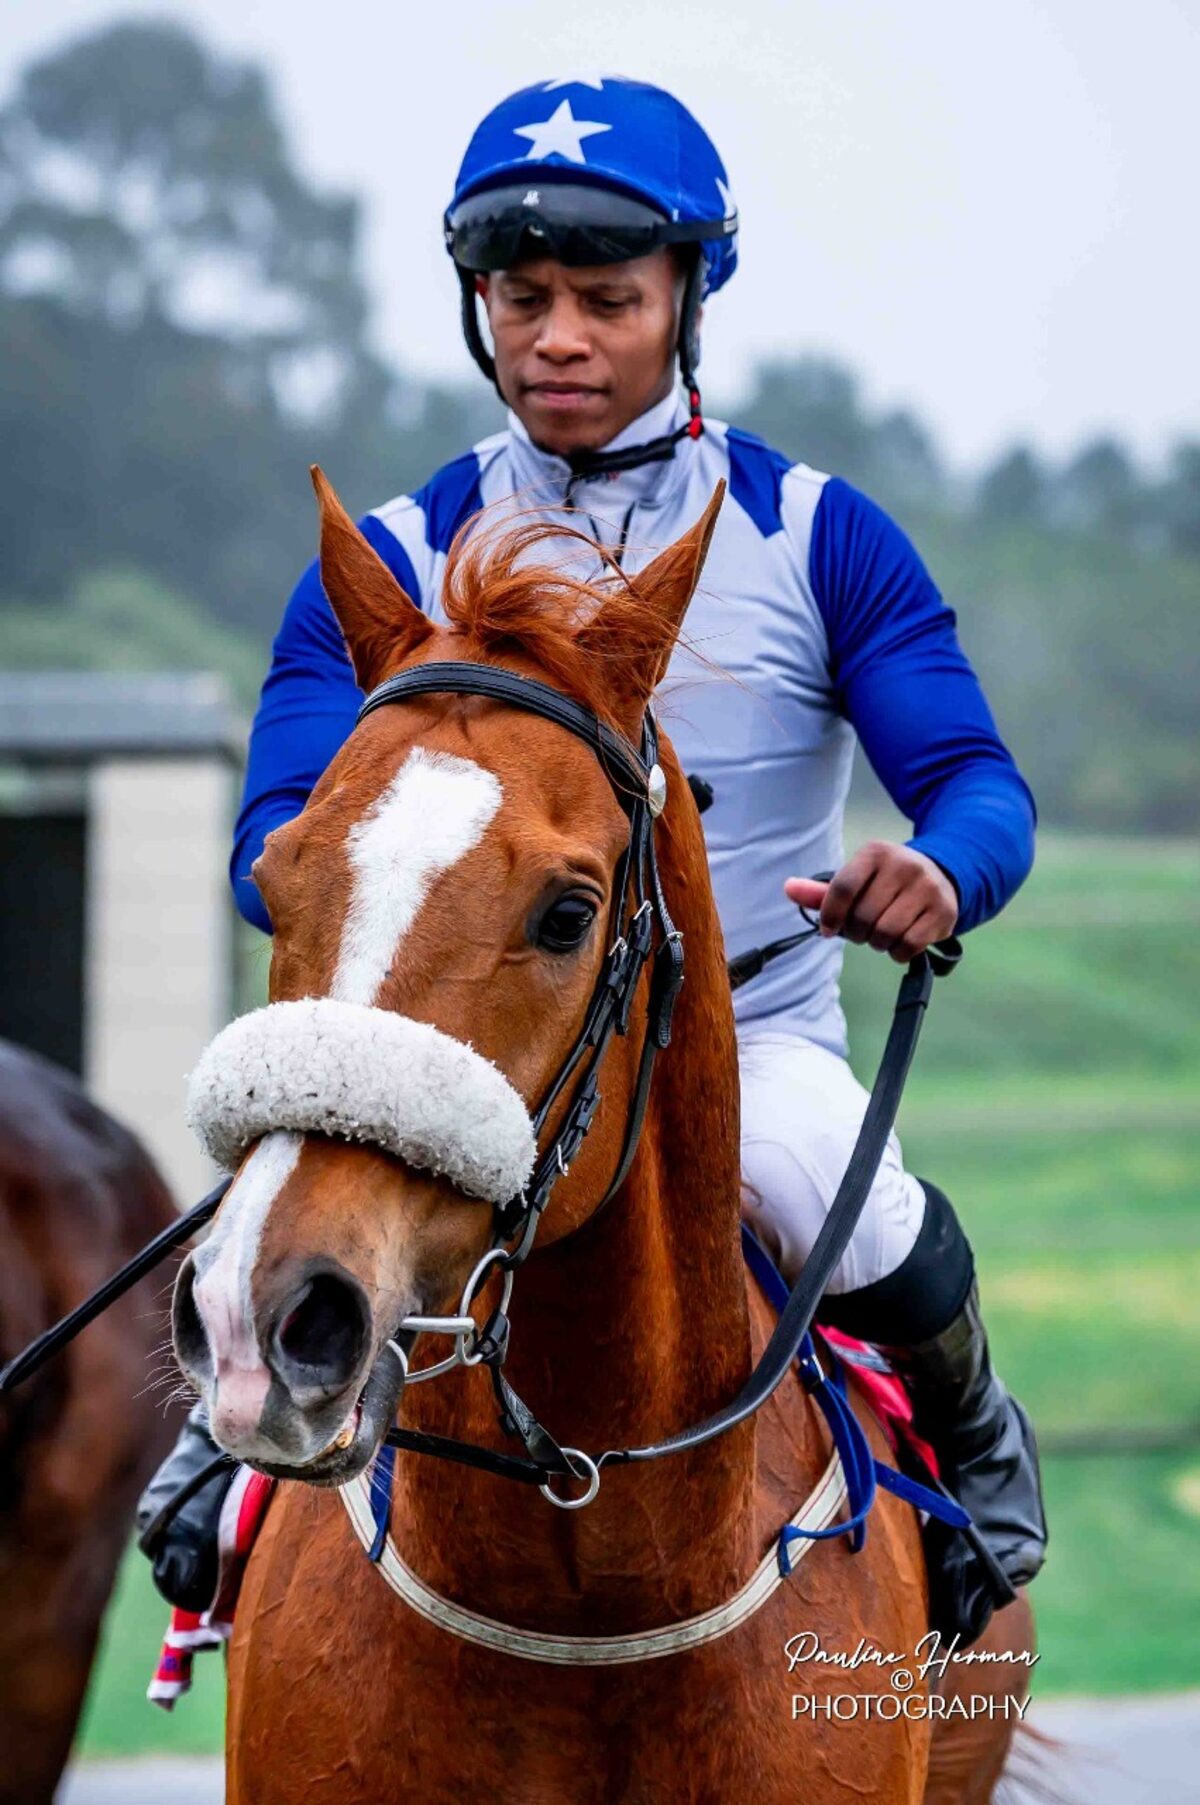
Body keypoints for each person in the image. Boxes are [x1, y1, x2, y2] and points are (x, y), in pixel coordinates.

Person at [139, 76, 1046, 1643]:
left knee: (827, 1176)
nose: (558, 336)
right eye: (522, 297)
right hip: (454, 1047)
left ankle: (978, 1456)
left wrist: (944, 870)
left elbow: (973, 780)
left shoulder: (821, 536)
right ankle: (220, 1455)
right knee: (289, 1221)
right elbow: (271, 830)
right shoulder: (395, 557)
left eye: (607, 300)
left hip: (740, 1048)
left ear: (686, 299)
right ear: (478, 306)